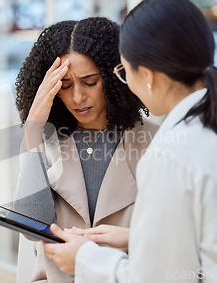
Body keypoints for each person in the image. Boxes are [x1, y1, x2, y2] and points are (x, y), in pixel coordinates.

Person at [43, 0, 217, 282]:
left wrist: (84, 258)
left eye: (124, 72)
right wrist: (138, 237)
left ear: (149, 75)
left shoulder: (171, 154)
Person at [13, 17, 158, 282]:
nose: (78, 97)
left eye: (90, 82)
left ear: (116, 78)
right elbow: (31, 228)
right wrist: (33, 132)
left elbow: (166, 240)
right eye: (65, 86)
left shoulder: (155, 141)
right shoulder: (45, 141)